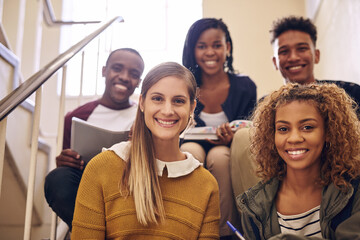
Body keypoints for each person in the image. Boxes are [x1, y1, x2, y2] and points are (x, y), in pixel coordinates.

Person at [71, 62, 220, 239]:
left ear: (192, 108)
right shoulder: (101, 168)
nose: (167, 110)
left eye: (178, 101)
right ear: (142, 103)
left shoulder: (206, 185)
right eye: (157, 98)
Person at [230, 15, 360, 199]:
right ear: (275, 61)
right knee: (243, 136)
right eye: (284, 51)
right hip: (283, 187)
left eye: (302, 48)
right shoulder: (266, 107)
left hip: (344, 191)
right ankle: (265, 219)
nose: (293, 57)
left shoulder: (350, 94)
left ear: (316, 55)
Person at [237, 83, 360, 240]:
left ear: (328, 132)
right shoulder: (254, 206)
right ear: (271, 136)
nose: (294, 138)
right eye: (283, 129)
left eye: (307, 127)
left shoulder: (354, 191)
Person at [44, 48, 145, 229]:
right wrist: (65, 161)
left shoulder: (143, 115)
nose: (124, 77)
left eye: (134, 74)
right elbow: (68, 170)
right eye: (117, 68)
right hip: (90, 189)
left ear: (139, 82)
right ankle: (97, 231)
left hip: (130, 188)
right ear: (104, 71)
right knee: (58, 178)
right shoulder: (76, 117)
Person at [180, 18, 257, 239]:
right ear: (193, 50)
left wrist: (232, 137)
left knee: (220, 156)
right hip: (189, 144)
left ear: (227, 48)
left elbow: (249, 128)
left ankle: (225, 233)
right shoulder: (185, 85)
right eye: (202, 46)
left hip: (228, 148)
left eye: (216, 45)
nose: (210, 52)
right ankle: (188, 228)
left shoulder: (245, 86)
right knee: (191, 153)